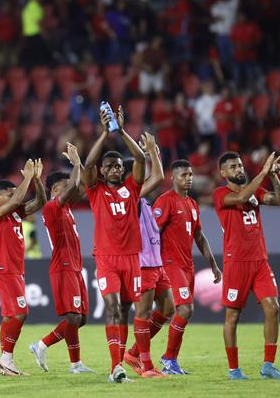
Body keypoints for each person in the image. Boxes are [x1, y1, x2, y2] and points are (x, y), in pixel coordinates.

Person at [129, 159, 221, 375]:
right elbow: (153, 233)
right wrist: (153, 264)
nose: (188, 178)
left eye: (190, 175)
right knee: (185, 309)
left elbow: (198, 235)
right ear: (173, 177)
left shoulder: (192, 204)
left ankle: (134, 351)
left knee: (169, 310)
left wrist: (213, 263)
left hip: (187, 265)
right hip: (169, 264)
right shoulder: (165, 201)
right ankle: (169, 359)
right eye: (183, 175)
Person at [82, 106, 145, 383]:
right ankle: (115, 367)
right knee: (112, 308)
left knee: (125, 312)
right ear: (102, 172)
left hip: (132, 257)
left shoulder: (132, 188)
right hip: (107, 258)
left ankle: (117, 365)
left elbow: (141, 158)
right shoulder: (95, 192)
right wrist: (105, 134)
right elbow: (86, 167)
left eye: (118, 165)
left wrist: (122, 132)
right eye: (108, 166)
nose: (114, 169)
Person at [213, 151, 280, 380]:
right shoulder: (220, 194)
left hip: (260, 262)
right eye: (233, 167)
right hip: (236, 263)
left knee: (273, 308)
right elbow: (242, 198)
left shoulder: (255, 193)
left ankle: (268, 365)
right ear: (223, 173)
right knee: (232, 317)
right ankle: (234, 369)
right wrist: (262, 172)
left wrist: (273, 176)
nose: (239, 169)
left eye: (240, 165)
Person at [28, 143, 93, 374]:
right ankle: (41, 345)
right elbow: (76, 184)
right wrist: (76, 163)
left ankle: (76, 364)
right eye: (65, 187)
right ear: (56, 190)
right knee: (73, 317)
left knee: (81, 318)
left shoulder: (66, 208)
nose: (70, 190)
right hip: (63, 266)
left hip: (74, 266)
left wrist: (82, 164)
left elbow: (83, 184)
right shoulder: (51, 207)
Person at [0, 159, 46, 376]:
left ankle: (6, 363)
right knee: (21, 312)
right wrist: (27, 177)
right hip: (4, 269)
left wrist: (37, 180)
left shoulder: (14, 214)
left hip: (15, 270)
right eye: (9, 195)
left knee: (10, 316)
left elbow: (41, 201)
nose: (14, 198)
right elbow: (19, 198)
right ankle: (6, 358)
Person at [120, 133, 169, 378]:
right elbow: (159, 176)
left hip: (156, 262)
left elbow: (156, 177)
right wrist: (152, 152)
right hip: (142, 263)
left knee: (168, 308)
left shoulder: (142, 200)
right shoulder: (129, 196)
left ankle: (133, 352)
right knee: (143, 313)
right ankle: (147, 366)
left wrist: (152, 153)